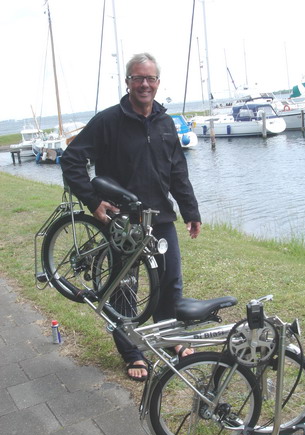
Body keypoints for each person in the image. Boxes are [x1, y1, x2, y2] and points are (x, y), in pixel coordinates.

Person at [60, 52, 201, 381]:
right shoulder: (108, 121)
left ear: (158, 83)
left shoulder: (166, 123)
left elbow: (178, 173)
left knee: (170, 285)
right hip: (123, 222)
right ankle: (131, 352)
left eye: (150, 78)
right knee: (124, 288)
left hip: (161, 220)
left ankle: (168, 338)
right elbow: (72, 160)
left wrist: (190, 210)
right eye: (138, 78)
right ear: (127, 83)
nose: (144, 84)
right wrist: (94, 202)